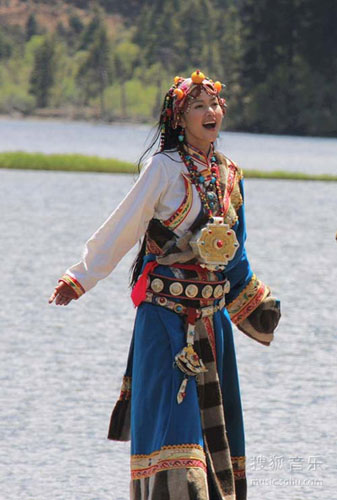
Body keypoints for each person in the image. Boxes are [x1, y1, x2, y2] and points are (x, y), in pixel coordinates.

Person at [49, 70, 281, 500]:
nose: (210, 112)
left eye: (214, 104)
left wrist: (257, 304)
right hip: (164, 319)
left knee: (216, 438)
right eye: (198, 106)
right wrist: (79, 277)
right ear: (179, 119)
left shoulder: (230, 175)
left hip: (213, 324)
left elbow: (234, 252)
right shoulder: (164, 169)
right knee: (178, 435)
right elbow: (124, 226)